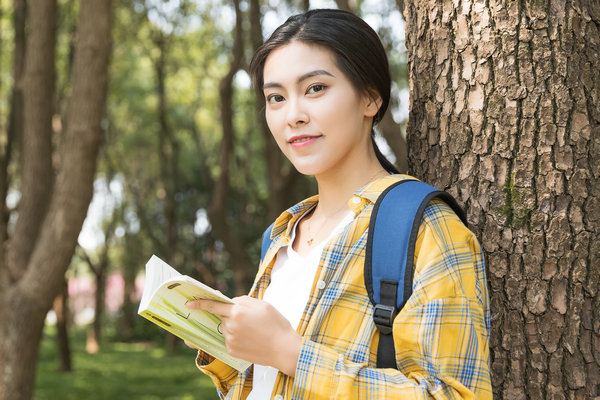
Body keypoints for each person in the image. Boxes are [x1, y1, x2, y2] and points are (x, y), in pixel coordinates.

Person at [186, 8, 492, 399]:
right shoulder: (282, 235)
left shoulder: (422, 226)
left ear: (370, 97)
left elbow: (452, 394)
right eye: (275, 97)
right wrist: (228, 349)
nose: (293, 115)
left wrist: (290, 353)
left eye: (315, 88)